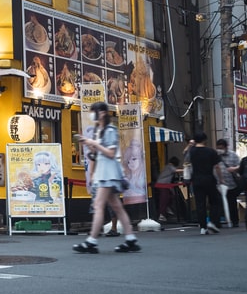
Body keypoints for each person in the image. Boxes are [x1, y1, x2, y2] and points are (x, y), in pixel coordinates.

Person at [73, 102, 141, 254]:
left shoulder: (110, 130)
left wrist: (93, 143)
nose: (92, 115)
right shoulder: (99, 130)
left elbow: (110, 153)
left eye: (94, 112)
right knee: (116, 206)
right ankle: (130, 239)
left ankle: (91, 241)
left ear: (103, 113)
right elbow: (98, 153)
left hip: (107, 174)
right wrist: (89, 144)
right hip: (104, 173)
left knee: (98, 205)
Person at [186, 132, 224, 234]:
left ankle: (203, 227)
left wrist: (190, 145)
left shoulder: (192, 151)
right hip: (209, 179)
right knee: (215, 201)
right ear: (205, 140)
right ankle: (212, 222)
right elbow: (217, 166)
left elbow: (185, 155)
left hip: (196, 180)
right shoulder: (211, 151)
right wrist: (221, 179)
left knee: (200, 204)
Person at [216, 138, 241, 227]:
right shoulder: (215, 155)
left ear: (226, 147)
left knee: (232, 203)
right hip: (218, 184)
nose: (220, 150)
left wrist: (234, 169)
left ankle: (235, 221)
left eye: (221, 148)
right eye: (218, 148)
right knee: (218, 204)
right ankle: (218, 222)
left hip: (231, 184)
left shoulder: (233, 155)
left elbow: (240, 166)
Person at [156, 156, 181, 222]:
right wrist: (185, 169)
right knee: (164, 199)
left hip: (163, 185)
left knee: (170, 196)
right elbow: (175, 170)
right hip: (163, 185)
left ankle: (167, 208)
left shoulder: (167, 166)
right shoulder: (170, 166)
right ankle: (162, 215)